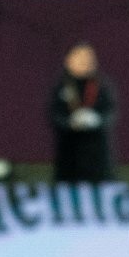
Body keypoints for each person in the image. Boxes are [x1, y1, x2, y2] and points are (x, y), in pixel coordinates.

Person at [50, 42, 117, 183]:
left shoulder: (101, 86)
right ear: (69, 60)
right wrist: (69, 123)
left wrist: (96, 121)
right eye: (80, 58)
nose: (84, 63)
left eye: (88, 59)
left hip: (96, 154)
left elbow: (110, 112)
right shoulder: (61, 86)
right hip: (69, 153)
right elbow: (53, 114)